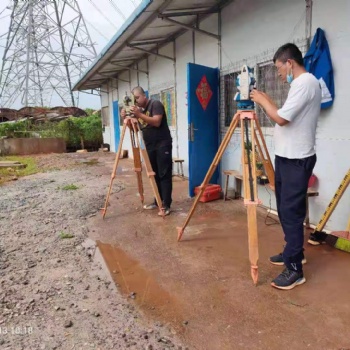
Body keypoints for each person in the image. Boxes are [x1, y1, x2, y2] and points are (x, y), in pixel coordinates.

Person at [250, 43, 321, 290]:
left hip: (296, 159)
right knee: (285, 208)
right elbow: (282, 112)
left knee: (290, 213)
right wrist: (263, 97)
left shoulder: (306, 83)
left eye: (280, 69)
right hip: (287, 157)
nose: (280, 74)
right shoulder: (298, 85)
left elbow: (280, 118)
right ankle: (294, 251)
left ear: (289, 62)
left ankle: (295, 270)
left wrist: (260, 101)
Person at [120, 86, 173, 216]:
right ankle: (157, 201)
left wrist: (138, 115)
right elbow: (136, 130)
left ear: (144, 95)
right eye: (134, 99)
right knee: (154, 174)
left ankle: (166, 204)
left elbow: (156, 122)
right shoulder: (140, 111)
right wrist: (126, 119)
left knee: (164, 174)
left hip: (162, 145)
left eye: (137, 97)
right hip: (149, 146)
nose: (136, 101)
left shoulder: (155, 104)